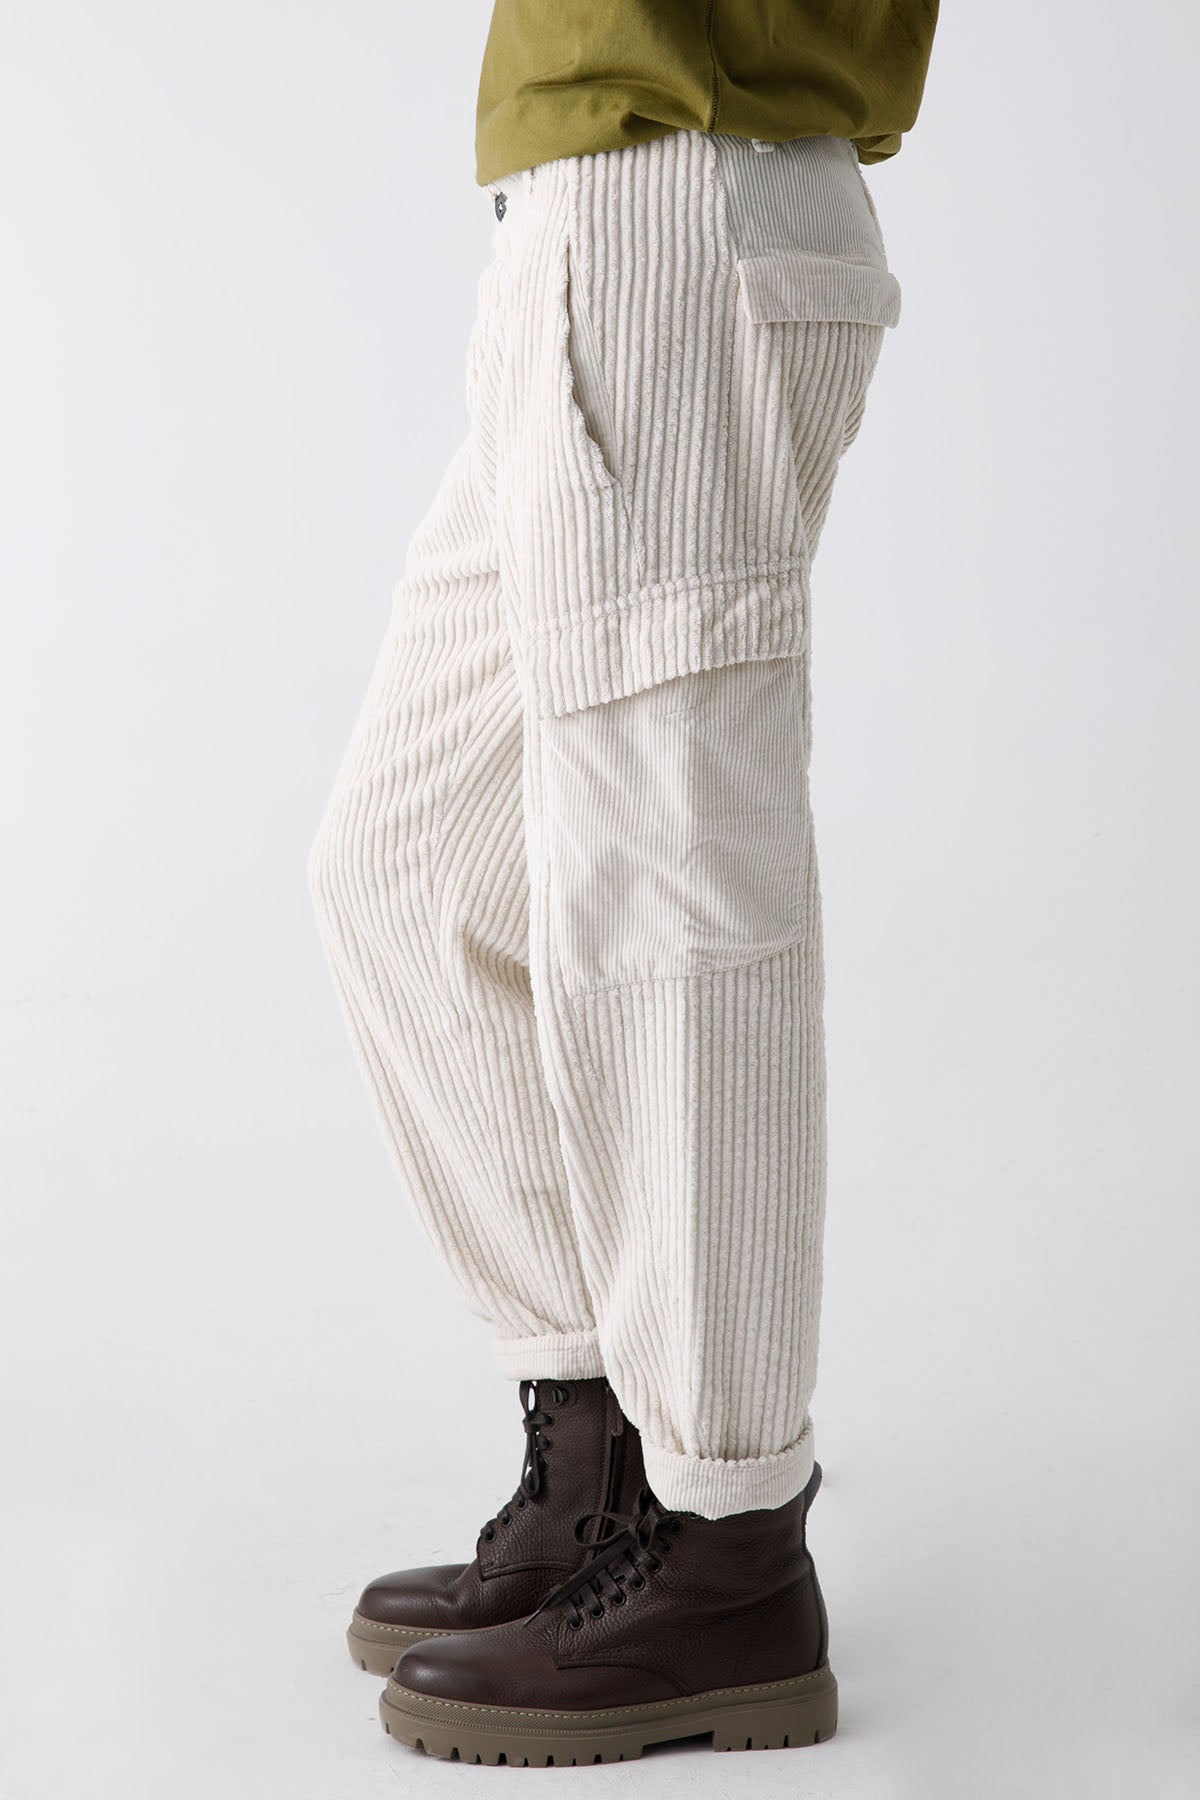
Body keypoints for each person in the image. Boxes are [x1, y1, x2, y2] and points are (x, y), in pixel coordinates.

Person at [309, 0, 939, 1766]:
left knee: (672, 910)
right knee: (409, 863)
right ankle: (609, 1457)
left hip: (682, 180)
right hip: (587, 205)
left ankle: (728, 1545)